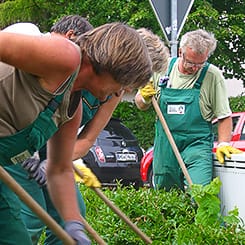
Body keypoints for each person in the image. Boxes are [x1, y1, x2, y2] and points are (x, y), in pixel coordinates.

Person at [0, 20, 152, 245]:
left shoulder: (72, 106)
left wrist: (74, 225)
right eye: (123, 82)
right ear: (110, 65)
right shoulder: (65, 55)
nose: (122, 91)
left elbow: (59, 169)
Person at [135, 29, 242, 191]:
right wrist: (144, 97)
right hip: (166, 143)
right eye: (191, 62)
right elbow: (140, 105)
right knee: (166, 194)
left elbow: (224, 116)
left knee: (199, 191)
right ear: (181, 52)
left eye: (200, 63)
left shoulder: (212, 75)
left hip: (196, 144)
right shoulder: (162, 68)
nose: (195, 68)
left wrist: (224, 143)